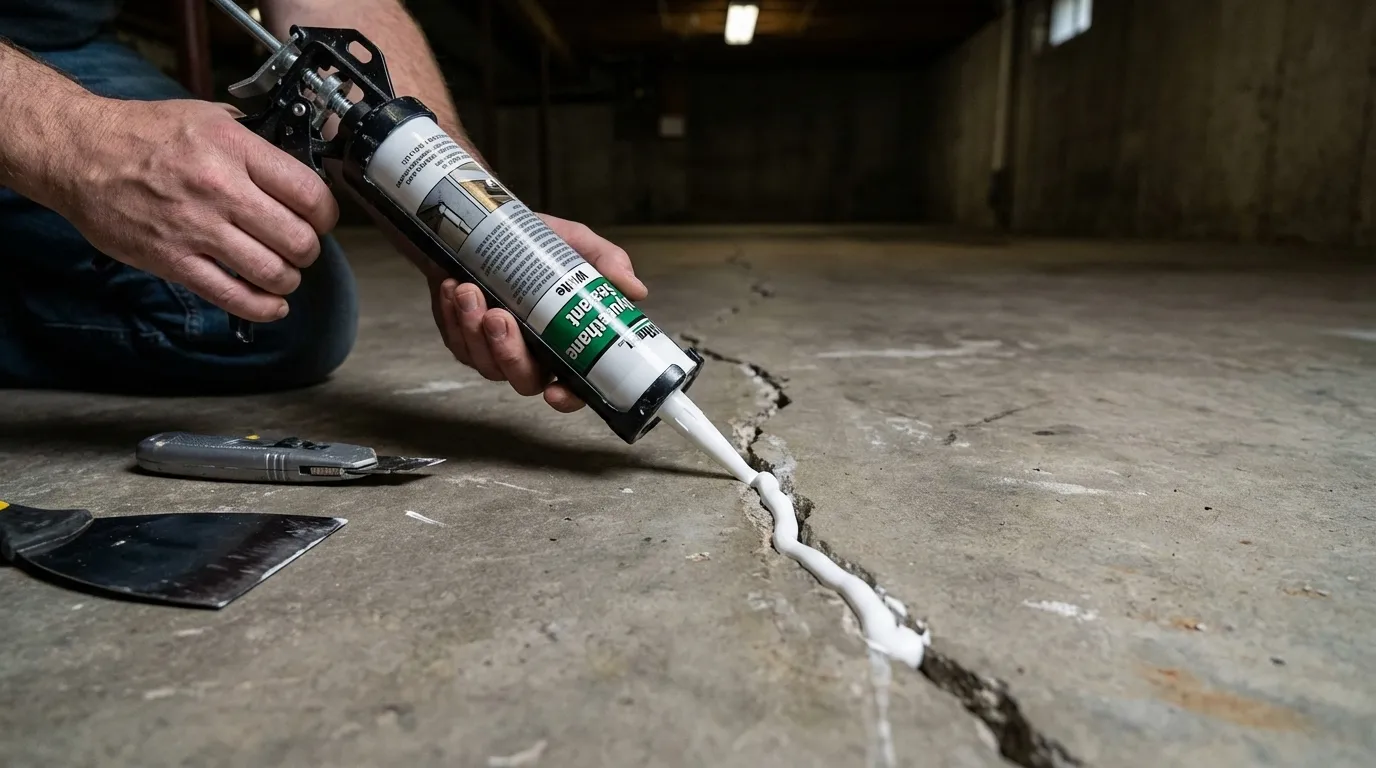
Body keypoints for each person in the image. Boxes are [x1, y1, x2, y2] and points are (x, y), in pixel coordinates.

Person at [0, 0, 645, 413]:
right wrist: (79, 143)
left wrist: (480, 232)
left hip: (64, 38)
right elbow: (76, 140)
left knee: (269, 303)